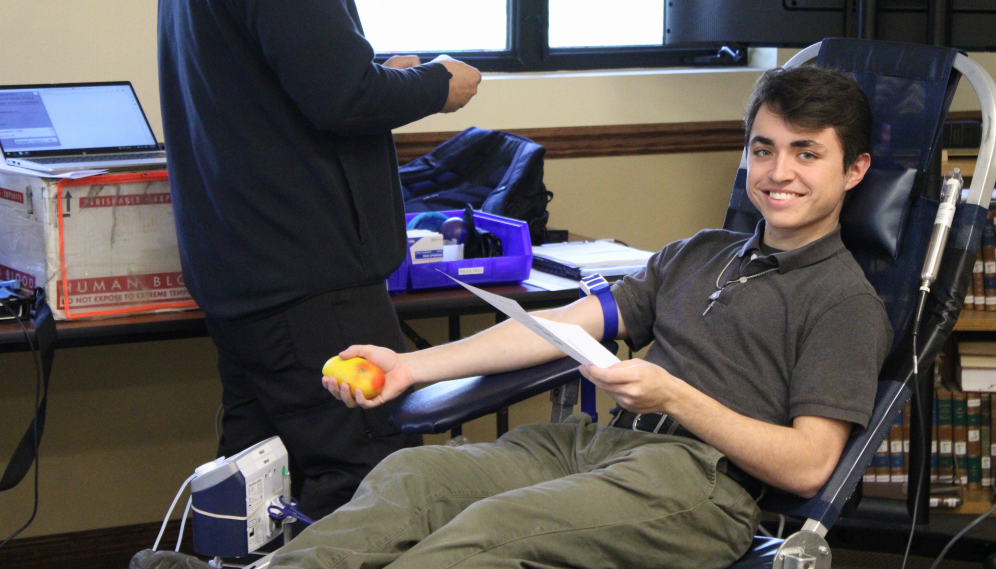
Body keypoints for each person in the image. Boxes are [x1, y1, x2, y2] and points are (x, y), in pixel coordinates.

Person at [139, 65, 892, 569]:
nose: (779, 172)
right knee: (414, 477)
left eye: (806, 153)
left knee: (482, 536)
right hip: (596, 444)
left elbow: (809, 463)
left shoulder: (844, 301)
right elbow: (569, 319)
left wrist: (675, 396)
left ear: (854, 170)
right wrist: (410, 365)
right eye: (764, 149)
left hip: (699, 482)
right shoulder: (699, 252)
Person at [157, 0, 482, 522]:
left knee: (253, 484)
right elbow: (344, 97)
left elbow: (284, 88)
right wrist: (437, 84)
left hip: (242, 266)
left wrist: (382, 80)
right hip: (311, 278)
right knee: (366, 482)